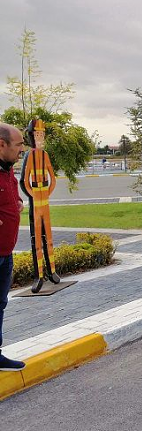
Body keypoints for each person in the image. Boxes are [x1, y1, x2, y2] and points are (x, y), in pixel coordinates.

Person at [20, 119, 60, 293]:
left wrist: (48, 191)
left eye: (42, 135)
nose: (40, 137)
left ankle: (52, 271)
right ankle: (40, 275)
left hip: (45, 200)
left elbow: (52, 177)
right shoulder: (29, 155)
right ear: (31, 136)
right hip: (36, 202)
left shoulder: (45, 155)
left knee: (48, 236)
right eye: (37, 134)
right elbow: (24, 181)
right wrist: (33, 194)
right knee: (36, 237)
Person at [0, 123, 26, 371]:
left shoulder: (7, 171)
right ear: (1, 144)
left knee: (0, 304)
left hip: (5, 252)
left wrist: (17, 202)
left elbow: (12, 196)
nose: (21, 150)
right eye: (18, 145)